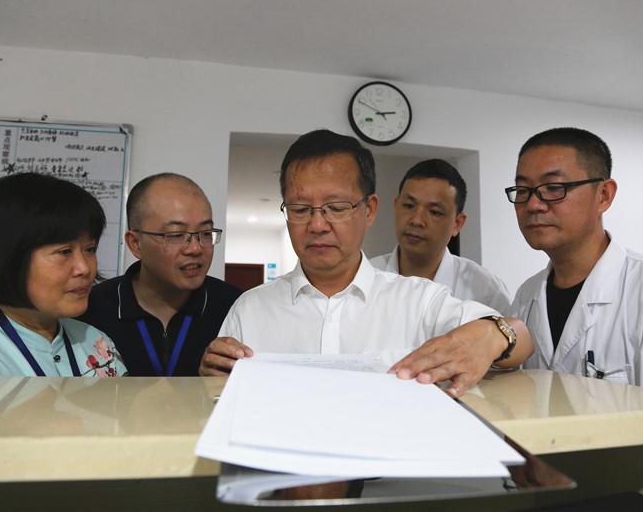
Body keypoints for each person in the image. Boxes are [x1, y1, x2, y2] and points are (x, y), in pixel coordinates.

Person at [200, 129, 534, 397]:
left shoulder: (420, 300)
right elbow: (222, 396)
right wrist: (212, 376)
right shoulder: (251, 309)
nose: (317, 224)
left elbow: (521, 337)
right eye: (300, 209)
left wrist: (492, 334)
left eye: (336, 207)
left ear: (369, 210)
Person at [506, 127, 643, 401]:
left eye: (554, 188)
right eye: (523, 190)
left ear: (603, 195)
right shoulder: (526, 297)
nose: (533, 205)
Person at [0, 173, 126, 377]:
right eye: (64, 252)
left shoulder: (93, 340)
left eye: (90, 249)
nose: (84, 268)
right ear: (6, 257)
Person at [81, 173, 241, 376]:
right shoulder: (90, 311)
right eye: (176, 235)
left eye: (206, 233)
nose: (195, 248)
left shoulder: (235, 307)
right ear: (135, 243)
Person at [371, 158, 510, 311]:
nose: (416, 220)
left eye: (435, 212)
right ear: (396, 206)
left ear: (457, 223)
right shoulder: (365, 276)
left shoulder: (485, 292)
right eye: (409, 206)